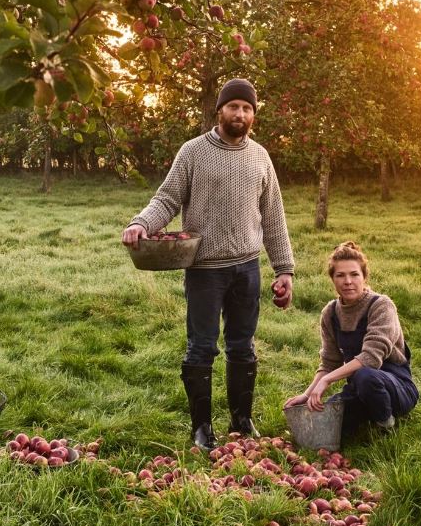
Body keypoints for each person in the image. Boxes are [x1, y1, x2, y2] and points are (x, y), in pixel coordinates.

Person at [121, 78, 295, 450]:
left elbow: (274, 216)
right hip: (204, 270)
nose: (240, 114)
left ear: (253, 116)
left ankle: (241, 420)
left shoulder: (260, 156)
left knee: (242, 346)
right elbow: (167, 199)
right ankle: (201, 428)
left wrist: (284, 269)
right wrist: (141, 223)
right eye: (234, 106)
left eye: (247, 108)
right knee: (202, 346)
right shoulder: (193, 152)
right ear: (220, 111)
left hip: (247, 268)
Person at [284, 241, 417, 436]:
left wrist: (327, 381)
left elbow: (370, 359)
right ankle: (367, 414)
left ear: (364, 277)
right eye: (340, 275)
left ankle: (386, 424)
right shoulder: (330, 313)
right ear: (333, 279)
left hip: (395, 386)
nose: (348, 281)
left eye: (354, 274)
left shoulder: (381, 306)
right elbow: (329, 362)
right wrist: (306, 395)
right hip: (358, 388)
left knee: (366, 376)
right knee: (324, 422)